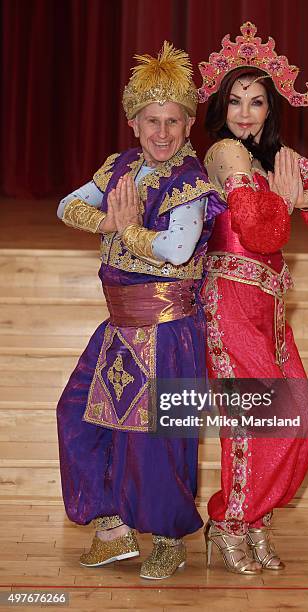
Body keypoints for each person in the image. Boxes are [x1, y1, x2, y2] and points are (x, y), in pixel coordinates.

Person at [56, 42, 225, 580]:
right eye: (151, 120)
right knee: (78, 416)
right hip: (119, 326)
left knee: (160, 440)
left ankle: (171, 538)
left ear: (188, 125)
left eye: (173, 121)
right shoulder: (120, 166)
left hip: (170, 328)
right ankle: (113, 529)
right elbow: (67, 205)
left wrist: (125, 227)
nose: (162, 132)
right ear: (133, 123)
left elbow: (177, 249)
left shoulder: (192, 182)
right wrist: (104, 222)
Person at [197, 22, 308, 574]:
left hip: (271, 309)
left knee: (301, 418)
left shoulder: (271, 157)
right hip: (230, 301)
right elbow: (260, 232)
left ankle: (256, 519)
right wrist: (289, 202)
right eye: (235, 100)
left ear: (270, 109)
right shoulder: (224, 154)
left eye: (256, 101)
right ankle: (229, 522)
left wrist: (303, 192)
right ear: (221, 105)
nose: (244, 112)